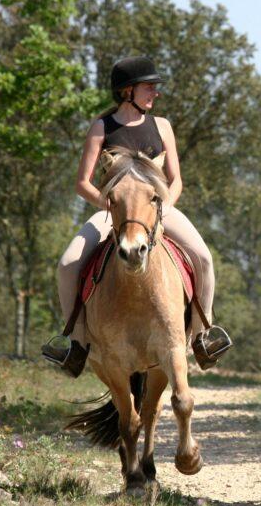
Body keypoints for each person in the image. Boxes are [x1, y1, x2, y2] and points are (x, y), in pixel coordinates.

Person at [41, 56, 231, 376]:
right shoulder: (102, 127)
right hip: (111, 212)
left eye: (154, 88)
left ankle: (202, 334)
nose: (155, 93)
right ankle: (75, 341)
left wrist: (165, 205)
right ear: (127, 91)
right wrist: (110, 206)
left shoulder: (162, 126)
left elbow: (176, 178)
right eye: (149, 88)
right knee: (67, 264)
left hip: (159, 209)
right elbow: (82, 183)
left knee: (204, 257)